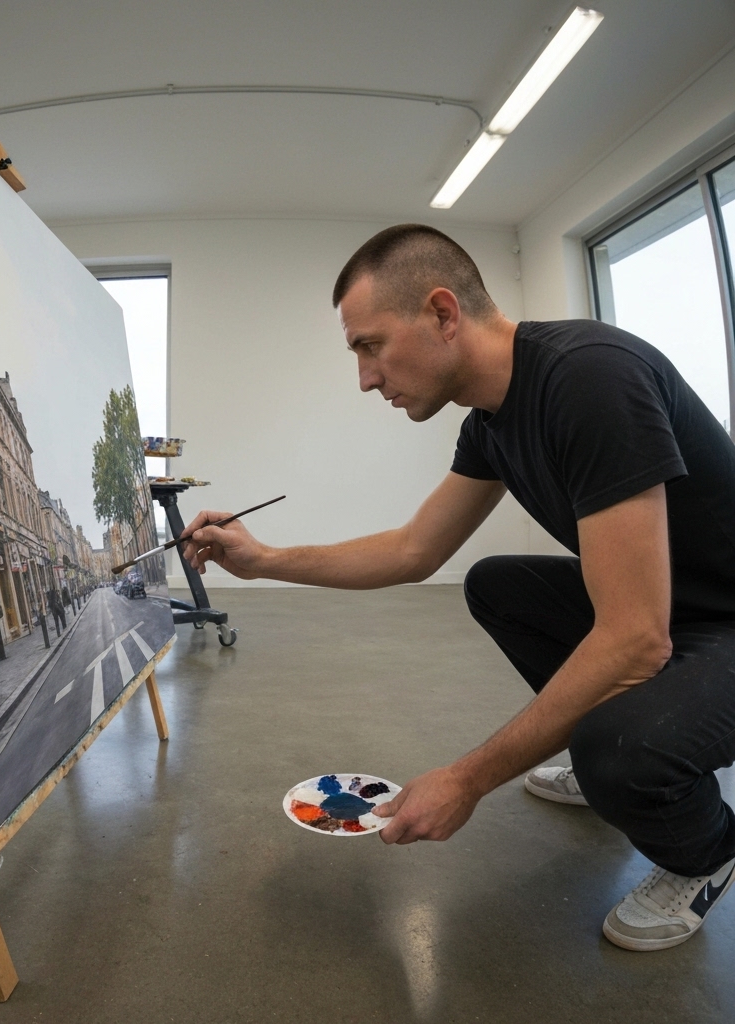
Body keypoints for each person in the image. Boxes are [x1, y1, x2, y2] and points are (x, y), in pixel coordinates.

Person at [181, 223, 735, 952]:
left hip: (719, 626)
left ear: (443, 313)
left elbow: (636, 638)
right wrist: (266, 559)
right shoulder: (492, 422)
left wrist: (468, 779)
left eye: (368, 345)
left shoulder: (592, 379)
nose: (366, 378)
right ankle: (613, 753)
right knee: (496, 584)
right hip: (678, 618)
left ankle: (704, 849)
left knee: (616, 749)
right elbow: (416, 549)